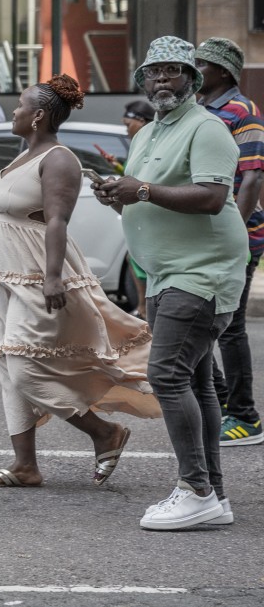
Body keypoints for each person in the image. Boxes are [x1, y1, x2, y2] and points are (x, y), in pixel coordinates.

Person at [94, 35, 247, 530]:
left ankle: (195, 490)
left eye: (173, 71)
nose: (161, 79)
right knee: (197, 381)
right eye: (153, 72)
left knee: (167, 376)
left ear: (192, 79)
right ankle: (213, 496)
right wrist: (116, 194)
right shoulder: (146, 134)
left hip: (202, 272)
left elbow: (209, 196)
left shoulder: (207, 128)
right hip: (163, 273)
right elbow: (143, 194)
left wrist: (138, 188)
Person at [0, 75, 158, 490]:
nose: (14, 111)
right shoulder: (24, 155)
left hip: (40, 277)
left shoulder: (59, 159)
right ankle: (26, 465)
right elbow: (12, 220)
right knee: (7, 368)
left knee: (24, 368)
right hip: (8, 278)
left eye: (20, 106)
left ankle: (103, 432)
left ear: (38, 115)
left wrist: (53, 277)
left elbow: (57, 220)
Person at [195, 37, 264, 447]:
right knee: (202, 323)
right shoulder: (202, 111)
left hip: (238, 236)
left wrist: (233, 234)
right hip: (205, 235)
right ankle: (221, 402)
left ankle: (246, 417)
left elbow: (253, 177)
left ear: (222, 71)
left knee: (231, 328)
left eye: (201, 64)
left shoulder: (243, 112)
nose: (194, 70)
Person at [95, 100, 155, 314]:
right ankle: (144, 307)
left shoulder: (155, 143)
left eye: (128, 124)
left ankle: (146, 308)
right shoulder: (139, 144)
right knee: (134, 256)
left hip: (156, 219)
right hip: (140, 216)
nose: (126, 130)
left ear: (141, 121)